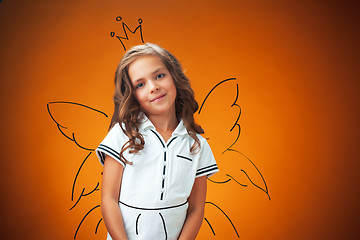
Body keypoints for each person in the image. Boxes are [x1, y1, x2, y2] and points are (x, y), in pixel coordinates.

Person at [96, 43, 218, 240]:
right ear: (132, 94)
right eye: (140, 84)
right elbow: (109, 199)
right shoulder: (121, 135)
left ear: (174, 78)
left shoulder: (197, 146)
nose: (154, 87)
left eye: (159, 75)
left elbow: (196, 208)